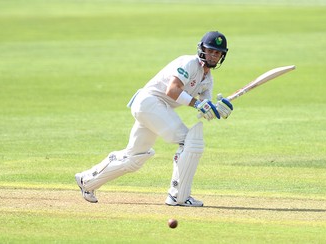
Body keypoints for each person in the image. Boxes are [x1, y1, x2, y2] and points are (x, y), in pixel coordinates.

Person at [75, 31, 234, 207]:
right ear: (202, 49)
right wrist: (198, 105)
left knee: (134, 158)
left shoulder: (207, 80)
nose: (213, 55)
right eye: (210, 50)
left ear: (222, 56)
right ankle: (178, 195)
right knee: (189, 141)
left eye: (217, 53)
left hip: (154, 108)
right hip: (150, 102)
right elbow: (172, 90)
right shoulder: (189, 63)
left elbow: (205, 107)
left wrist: (218, 109)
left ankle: (87, 180)